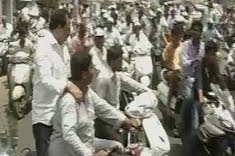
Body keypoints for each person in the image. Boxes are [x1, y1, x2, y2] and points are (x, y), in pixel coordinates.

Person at [48, 52, 141, 156]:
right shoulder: (69, 101)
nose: (95, 71)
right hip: (67, 151)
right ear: (84, 74)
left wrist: (125, 121)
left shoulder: (87, 92)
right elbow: (69, 134)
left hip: (87, 143)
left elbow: (104, 108)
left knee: (117, 146)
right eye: (92, 68)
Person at [32, 9, 83, 156]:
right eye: (67, 28)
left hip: (61, 114)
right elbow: (45, 79)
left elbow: (66, 76)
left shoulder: (64, 48)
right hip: (45, 115)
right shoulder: (43, 47)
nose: (69, 32)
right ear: (59, 28)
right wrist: (67, 86)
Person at [91, 45, 152, 141]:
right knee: (119, 143)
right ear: (112, 62)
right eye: (120, 61)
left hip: (116, 115)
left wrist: (148, 91)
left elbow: (131, 84)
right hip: (104, 122)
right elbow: (100, 107)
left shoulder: (116, 76)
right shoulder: (104, 78)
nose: (122, 64)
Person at [180, 20, 205, 156]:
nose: (196, 33)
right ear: (191, 31)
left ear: (201, 32)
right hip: (187, 79)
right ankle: (181, 123)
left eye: (198, 30)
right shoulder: (185, 45)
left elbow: (202, 67)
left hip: (198, 80)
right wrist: (194, 61)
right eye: (194, 30)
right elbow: (184, 64)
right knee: (188, 99)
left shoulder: (203, 46)